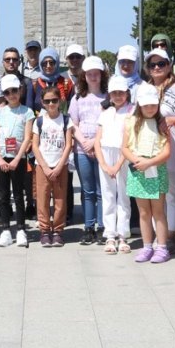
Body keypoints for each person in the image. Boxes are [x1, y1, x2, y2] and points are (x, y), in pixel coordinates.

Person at [146, 48, 175, 249]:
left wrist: (174, 120)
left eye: (161, 64)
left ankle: (170, 236)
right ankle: (158, 234)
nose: (156, 68)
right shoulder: (143, 89)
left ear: (169, 66)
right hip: (148, 150)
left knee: (172, 195)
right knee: (155, 195)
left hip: (172, 150)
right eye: (152, 64)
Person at [123, 83, 172, 263]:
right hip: (138, 169)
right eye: (146, 105)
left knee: (158, 210)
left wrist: (149, 162)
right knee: (143, 212)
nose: (150, 108)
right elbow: (125, 148)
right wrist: (138, 161)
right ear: (139, 104)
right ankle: (146, 246)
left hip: (156, 168)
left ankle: (162, 247)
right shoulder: (131, 122)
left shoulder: (162, 123)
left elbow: (167, 152)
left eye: (153, 104)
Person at [69, 56, 107, 244]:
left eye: (96, 74)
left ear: (101, 75)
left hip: (101, 148)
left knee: (101, 190)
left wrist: (94, 142)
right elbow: (73, 123)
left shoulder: (108, 96)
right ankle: (88, 226)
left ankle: (101, 226)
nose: (93, 77)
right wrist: (84, 141)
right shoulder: (77, 97)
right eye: (89, 74)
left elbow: (109, 123)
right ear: (84, 76)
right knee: (88, 190)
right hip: (82, 149)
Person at [0, 74, 33, 248]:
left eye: (14, 91)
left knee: (18, 194)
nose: (11, 95)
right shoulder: (0, 111)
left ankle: (21, 229)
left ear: (20, 90)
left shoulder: (27, 111)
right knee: (3, 196)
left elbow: (27, 138)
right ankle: (5, 229)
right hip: (2, 157)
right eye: (7, 92)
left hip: (18, 158)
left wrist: (18, 158)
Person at [32, 86, 74, 247]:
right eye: (47, 101)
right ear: (42, 102)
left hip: (60, 166)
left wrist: (58, 166)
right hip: (43, 166)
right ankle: (44, 230)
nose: (51, 104)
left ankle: (57, 230)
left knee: (60, 199)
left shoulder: (65, 120)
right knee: (42, 199)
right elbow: (35, 146)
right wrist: (45, 166)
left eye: (54, 100)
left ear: (59, 101)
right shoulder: (40, 121)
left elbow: (68, 144)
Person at [97, 76, 134, 254]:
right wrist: (103, 164)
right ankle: (110, 234)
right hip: (106, 154)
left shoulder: (132, 112)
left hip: (123, 155)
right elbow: (97, 141)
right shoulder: (104, 113)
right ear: (109, 95)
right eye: (114, 93)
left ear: (127, 93)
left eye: (121, 92)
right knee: (108, 196)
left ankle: (123, 235)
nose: (118, 96)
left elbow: (130, 141)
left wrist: (119, 163)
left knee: (123, 196)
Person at [27, 48, 74, 113]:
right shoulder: (34, 84)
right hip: (40, 122)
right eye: (44, 63)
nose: (48, 66)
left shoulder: (67, 83)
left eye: (51, 62)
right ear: (40, 64)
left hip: (62, 122)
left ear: (57, 63)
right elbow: (29, 112)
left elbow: (72, 110)